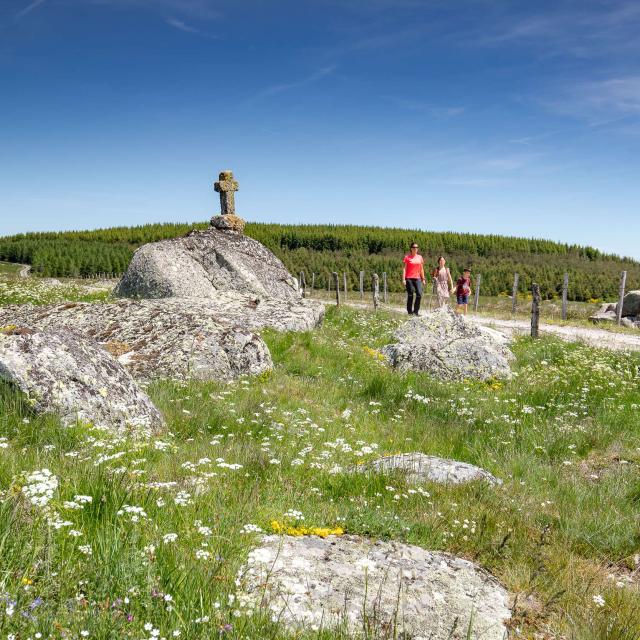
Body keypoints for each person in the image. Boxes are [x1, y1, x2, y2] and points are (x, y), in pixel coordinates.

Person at [402, 242, 426, 316]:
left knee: (419, 293)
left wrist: (423, 278)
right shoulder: (407, 257)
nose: (416, 249)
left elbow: (421, 269)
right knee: (410, 294)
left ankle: (416, 311)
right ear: (411, 249)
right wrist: (403, 279)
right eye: (414, 247)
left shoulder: (420, 257)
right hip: (409, 278)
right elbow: (404, 269)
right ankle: (409, 312)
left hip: (417, 278)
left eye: (417, 247)